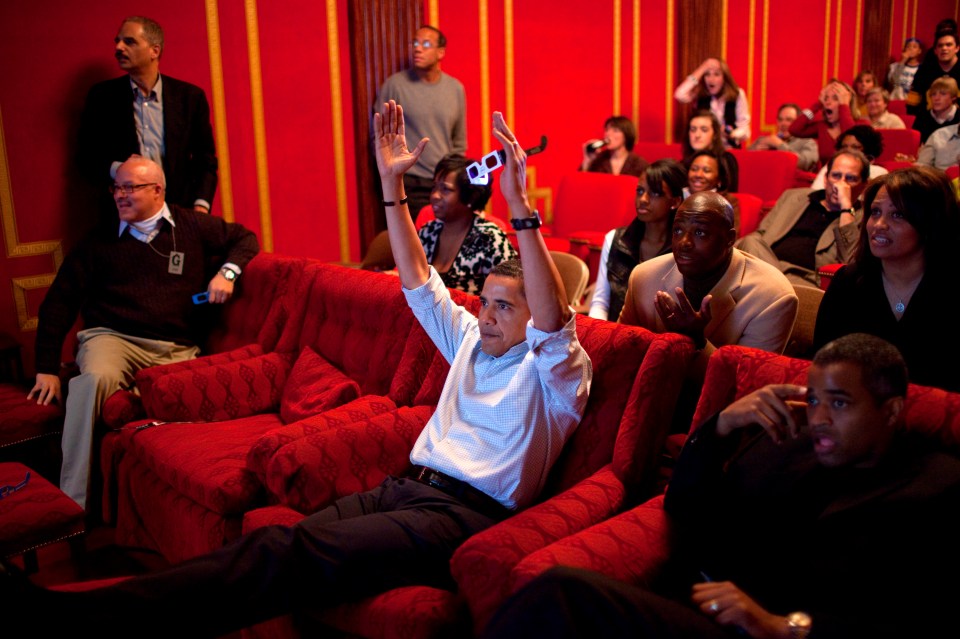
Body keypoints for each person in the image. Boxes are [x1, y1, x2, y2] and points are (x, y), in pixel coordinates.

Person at [3, 102, 591, 638]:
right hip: (407, 488)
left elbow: (552, 318)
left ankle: (78, 619)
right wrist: (390, 184)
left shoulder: (554, 372)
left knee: (285, 554)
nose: (485, 315)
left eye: (504, 306)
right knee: (277, 540)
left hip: (462, 515)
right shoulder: (470, 334)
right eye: (485, 300)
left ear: (534, 316)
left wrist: (520, 209)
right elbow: (418, 278)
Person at [480, 333, 960, 639]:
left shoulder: (934, 487)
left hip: (771, 630)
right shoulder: (786, 443)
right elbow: (686, 508)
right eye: (813, 401)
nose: (819, 419)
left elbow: (911, 618)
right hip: (701, 609)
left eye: (839, 404)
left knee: (564, 592)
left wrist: (783, 626)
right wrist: (721, 427)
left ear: (892, 412)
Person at [28, 157, 260, 510]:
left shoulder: (193, 226)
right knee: (92, 381)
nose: (120, 195)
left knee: (191, 401)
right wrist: (46, 366)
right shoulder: (97, 241)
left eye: (130, 188)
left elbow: (245, 238)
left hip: (177, 347)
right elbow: (59, 303)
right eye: (117, 188)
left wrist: (227, 274)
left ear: (157, 190)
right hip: (113, 339)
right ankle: (73, 505)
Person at [619, 191, 797, 381]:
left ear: (730, 238)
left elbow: (743, 384)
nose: (684, 243)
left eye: (700, 233)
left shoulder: (773, 298)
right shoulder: (644, 276)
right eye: (678, 230)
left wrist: (697, 342)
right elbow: (621, 356)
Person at [814, 167, 960, 392]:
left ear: (929, 224)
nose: (879, 225)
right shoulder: (848, 283)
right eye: (875, 212)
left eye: (897, 214)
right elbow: (822, 365)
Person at [77, 16, 218, 215]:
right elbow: (87, 158)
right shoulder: (102, 97)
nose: (118, 47)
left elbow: (206, 160)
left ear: (155, 50)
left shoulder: (190, 97)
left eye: (129, 41)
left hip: (180, 212)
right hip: (124, 216)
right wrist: (123, 171)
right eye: (118, 41)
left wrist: (200, 207)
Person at [736, 150, 869, 286]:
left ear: (864, 185)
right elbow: (761, 234)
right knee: (751, 241)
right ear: (825, 179)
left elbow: (850, 262)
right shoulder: (793, 197)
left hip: (804, 279)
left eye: (850, 178)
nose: (841, 185)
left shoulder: (863, 217)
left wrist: (846, 207)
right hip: (767, 263)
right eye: (836, 176)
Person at [376, 25, 467, 219]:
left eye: (426, 44)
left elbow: (459, 143)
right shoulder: (395, 85)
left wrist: (453, 181)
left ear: (441, 52)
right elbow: (378, 137)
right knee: (415, 244)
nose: (418, 48)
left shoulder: (455, 88)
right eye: (415, 43)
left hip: (443, 183)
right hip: (408, 181)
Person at [588, 159, 687, 321]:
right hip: (616, 334)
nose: (643, 199)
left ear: (675, 201)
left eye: (655, 193)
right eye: (640, 191)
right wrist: (599, 336)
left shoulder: (683, 248)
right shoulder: (615, 239)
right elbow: (601, 302)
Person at [417, 154, 518, 295]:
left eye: (445, 189)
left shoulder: (490, 238)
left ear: (470, 196)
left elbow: (512, 293)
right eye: (434, 187)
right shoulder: (427, 232)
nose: (435, 195)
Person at [674, 57, 750, 148]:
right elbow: (680, 94)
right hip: (704, 148)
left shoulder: (737, 94)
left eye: (716, 74)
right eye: (707, 74)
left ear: (725, 78)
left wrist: (731, 134)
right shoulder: (700, 93)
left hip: (728, 148)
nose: (711, 79)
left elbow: (745, 129)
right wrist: (702, 68)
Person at [789, 79, 859, 167]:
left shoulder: (861, 124)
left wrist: (844, 107)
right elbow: (794, 129)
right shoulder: (822, 126)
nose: (827, 102)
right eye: (826, 98)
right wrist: (816, 106)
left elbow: (851, 139)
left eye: (835, 98)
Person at [809, 124, 887, 189]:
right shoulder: (830, 167)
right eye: (844, 147)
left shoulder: (878, 172)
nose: (848, 151)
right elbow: (815, 192)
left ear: (868, 150)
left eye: (855, 147)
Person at [748, 103, 819, 172]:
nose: (783, 124)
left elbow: (804, 164)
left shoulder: (808, 142)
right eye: (780, 119)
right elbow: (744, 159)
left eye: (789, 120)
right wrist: (755, 154)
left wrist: (779, 145)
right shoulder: (766, 140)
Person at [683, 150, 742, 234]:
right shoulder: (676, 196)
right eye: (694, 169)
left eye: (706, 171)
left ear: (719, 178)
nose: (698, 175)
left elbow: (731, 237)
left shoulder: (727, 202)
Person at [906, 26, 960, 116]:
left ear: (957, 48)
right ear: (935, 50)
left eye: (949, 45)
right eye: (940, 45)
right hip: (928, 123)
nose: (944, 48)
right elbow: (912, 103)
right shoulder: (924, 70)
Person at [681, 110, 739, 192]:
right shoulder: (682, 164)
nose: (697, 135)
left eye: (704, 130)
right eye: (693, 129)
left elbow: (730, 195)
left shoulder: (726, 160)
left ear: (715, 134)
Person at [580, 115, 648, 177]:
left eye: (615, 130)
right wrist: (587, 161)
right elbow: (582, 184)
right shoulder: (599, 160)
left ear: (626, 135)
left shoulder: (639, 164)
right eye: (607, 130)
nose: (608, 134)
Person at [908, 76, 960, 144]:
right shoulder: (922, 118)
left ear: (953, 97)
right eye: (933, 94)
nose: (937, 98)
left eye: (943, 94)